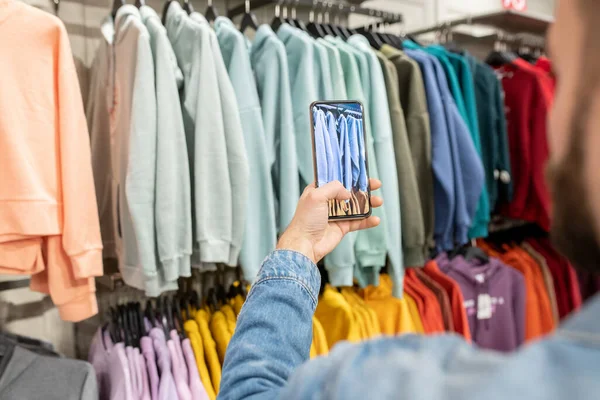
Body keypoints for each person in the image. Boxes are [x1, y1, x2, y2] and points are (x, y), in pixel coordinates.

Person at [218, 1, 600, 398]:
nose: (551, 117)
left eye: (561, 75)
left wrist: (297, 246)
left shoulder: (393, 382)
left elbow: (250, 391)